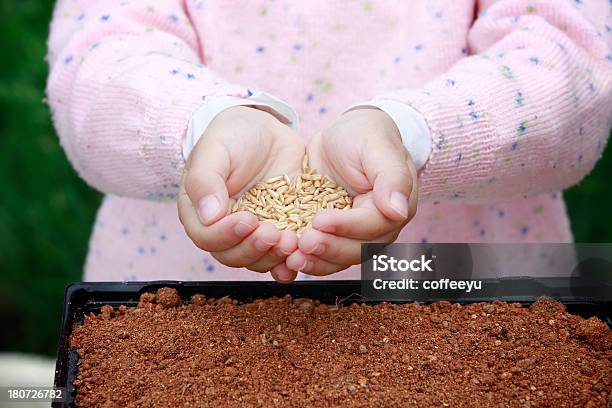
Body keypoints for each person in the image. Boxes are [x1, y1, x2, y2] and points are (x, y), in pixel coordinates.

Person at [47, 0, 611, 283]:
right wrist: (202, 122)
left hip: (464, 283)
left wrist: (415, 131)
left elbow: (570, 59)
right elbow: (98, 60)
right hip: (182, 292)